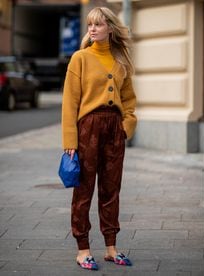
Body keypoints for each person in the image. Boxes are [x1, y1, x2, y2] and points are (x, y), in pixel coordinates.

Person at [61, 7, 137, 270]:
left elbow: (128, 99)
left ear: (111, 29)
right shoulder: (80, 58)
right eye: (90, 25)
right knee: (83, 190)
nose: (92, 29)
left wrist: (127, 125)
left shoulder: (121, 62)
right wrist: (70, 141)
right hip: (88, 129)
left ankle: (111, 247)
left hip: (114, 129)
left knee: (111, 189)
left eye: (99, 24)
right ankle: (83, 249)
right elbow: (70, 103)